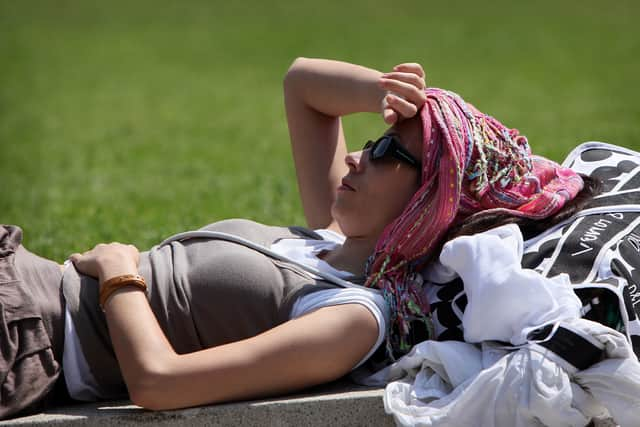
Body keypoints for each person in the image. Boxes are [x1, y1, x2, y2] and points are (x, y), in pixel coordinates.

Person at [0, 57, 608, 420]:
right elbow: (303, 86)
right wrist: (381, 93)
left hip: (32, 337)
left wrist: (119, 274)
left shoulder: (353, 314)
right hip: (23, 272)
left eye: (390, 153)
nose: (359, 159)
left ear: (434, 199)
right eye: (371, 141)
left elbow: (160, 384)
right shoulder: (333, 233)